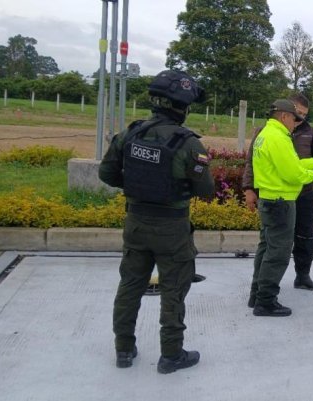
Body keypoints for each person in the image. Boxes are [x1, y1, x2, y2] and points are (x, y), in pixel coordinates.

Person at [99, 69, 213, 374]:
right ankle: (171, 355)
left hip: (135, 224)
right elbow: (206, 190)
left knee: (130, 285)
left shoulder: (130, 134)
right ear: (182, 107)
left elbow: (107, 174)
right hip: (172, 229)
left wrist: (138, 185)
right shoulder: (189, 144)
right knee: (173, 290)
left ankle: (123, 349)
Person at [242, 94, 313, 300]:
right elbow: (292, 172)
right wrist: (248, 189)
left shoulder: (299, 132)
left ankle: (269, 289)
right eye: (296, 115)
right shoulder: (276, 136)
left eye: (303, 116)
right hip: (281, 198)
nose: (299, 120)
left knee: (296, 240)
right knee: (278, 251)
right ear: (284, 115)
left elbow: (305, 163)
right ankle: (265, 299)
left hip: (294, 195)